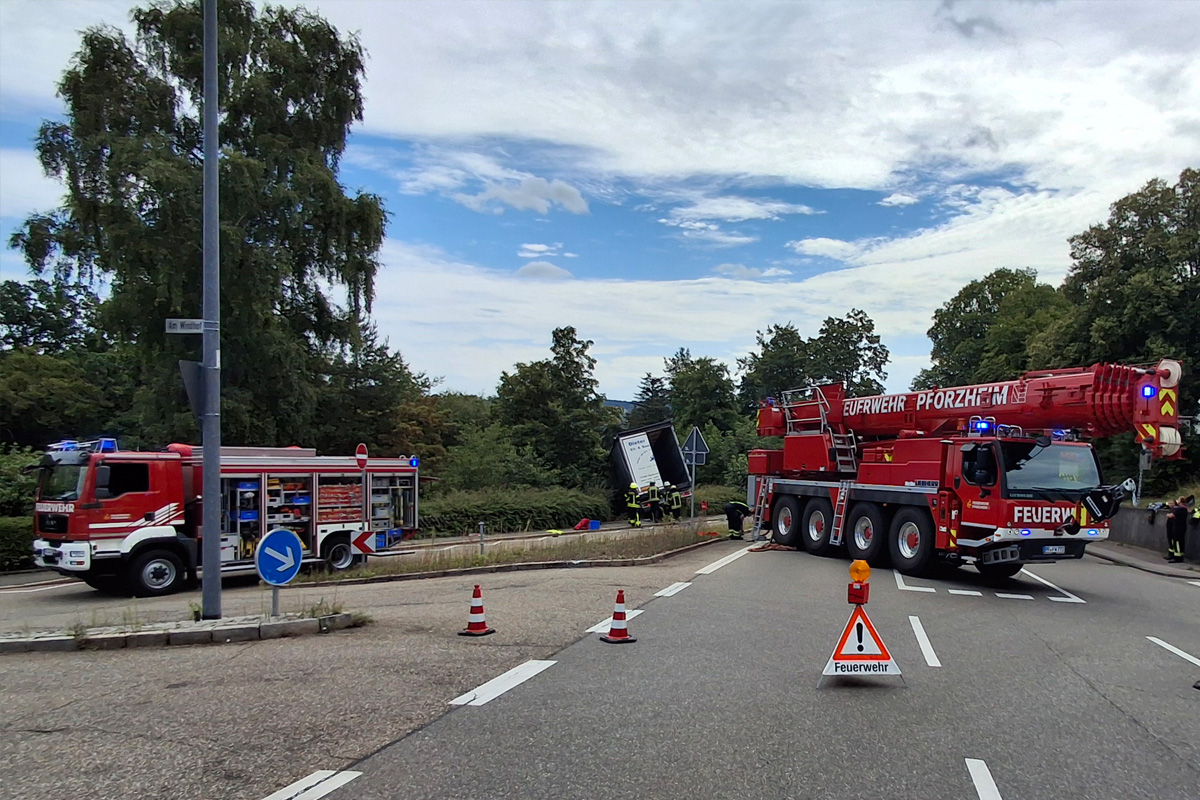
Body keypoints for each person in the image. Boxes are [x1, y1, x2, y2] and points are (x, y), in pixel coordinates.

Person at [1166, 496, 1188, 563]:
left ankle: (1178, 558)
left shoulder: (1180, 509)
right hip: (1180, 527)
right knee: (1176, 542)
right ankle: (1175, 556)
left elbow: (1171, 515)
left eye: (1178, 500)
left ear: (1180, 501)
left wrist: (1168, 515)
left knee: (1177, 543)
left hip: (1178, 528)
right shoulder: (1184, 509)